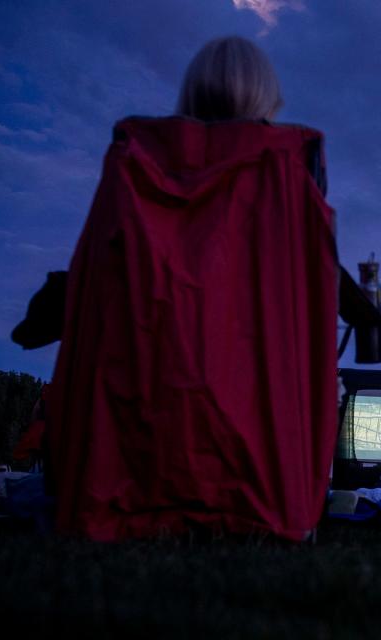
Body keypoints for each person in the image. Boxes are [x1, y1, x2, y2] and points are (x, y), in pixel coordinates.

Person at [48, 36, 338, 542]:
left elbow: (98, 275)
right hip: (258, 407)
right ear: (266, 94)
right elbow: (308, 286)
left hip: (145, 378)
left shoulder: (134, 159)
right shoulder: (289, 163)